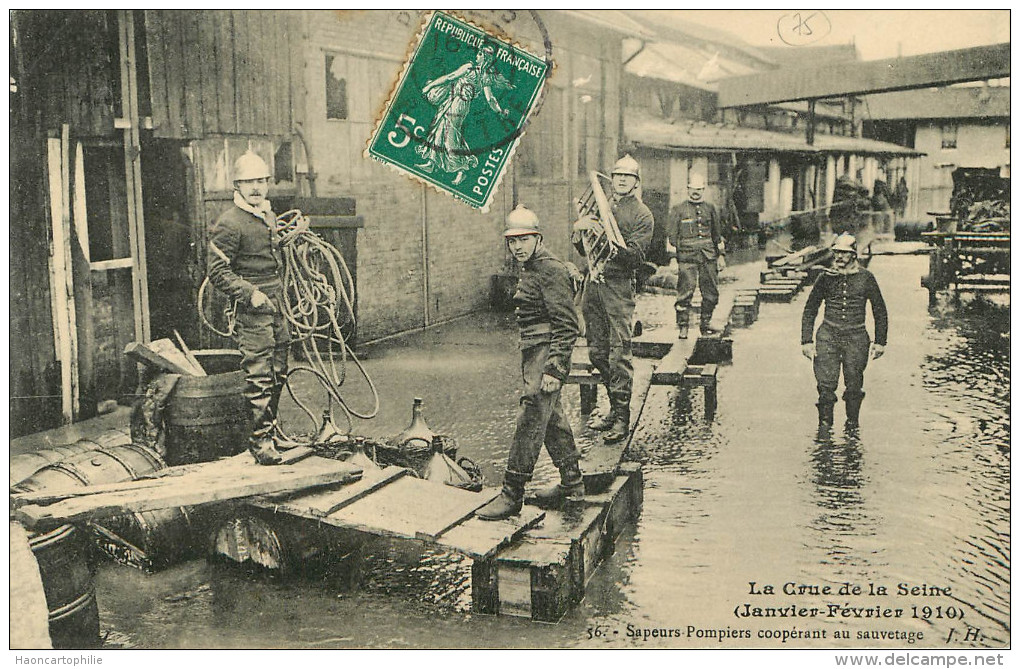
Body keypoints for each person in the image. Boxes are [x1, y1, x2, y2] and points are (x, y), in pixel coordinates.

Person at [477, 206, 584, 520]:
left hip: (545, 353)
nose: (517, 247)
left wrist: (555, 368)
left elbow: (567, 325)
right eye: (512, 241)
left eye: (524, 240)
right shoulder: (532, 266)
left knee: (530, 416)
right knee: (551, 418)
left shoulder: (549, 269)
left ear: (539, 238)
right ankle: (573, 485)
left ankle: (513, 492)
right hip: (533, 350)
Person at [207, 151, 290, 465]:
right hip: (253, 307)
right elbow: (217, 272)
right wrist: (249, 294)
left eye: (261, 180)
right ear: (237, 185)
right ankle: (260, 443)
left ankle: (273, 431)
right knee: (259, 375)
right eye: (249, 181)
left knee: (279, 371)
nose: (256, 187)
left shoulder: (267, 215)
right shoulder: (229, 223)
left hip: (277, 304)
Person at [572, 155, 654, 444]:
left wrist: (606, 238)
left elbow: (636, 257)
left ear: (635, 182)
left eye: (627, 176)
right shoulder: (600, 206)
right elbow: (584, 250)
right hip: (594, 285)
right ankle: (613, 406)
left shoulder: (642, 215)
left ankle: (622, 417)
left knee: (619, 353)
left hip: (619, 287)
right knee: (596, 352)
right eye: (617, 175)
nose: (621, 180)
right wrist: (581, 229)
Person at [801, 233, 888, 430]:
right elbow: (810, 309)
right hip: (828, 337)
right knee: (825, 385)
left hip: (856, 337)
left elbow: (879, 310)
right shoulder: (825, 278)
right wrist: (806, 340)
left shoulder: (866, 278)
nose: (839, 257)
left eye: (844, 254)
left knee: (854, 384)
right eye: (837, 253)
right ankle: (825, 428)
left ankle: (852, 425)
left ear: (853, 255)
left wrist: (880, 342)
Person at [415, 44, 512, 186]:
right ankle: (432, 162)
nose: (477, 56)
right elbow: (490, 99)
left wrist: (430, 86)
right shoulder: (485, 77)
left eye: (479, 54)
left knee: (451, 137)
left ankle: (462, 169)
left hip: (458, 104)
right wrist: (499, 111)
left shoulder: (470, 68)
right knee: (440, 130)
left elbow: (450, 77)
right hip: (455, 103)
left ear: (484, 57)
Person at [666, 173, 726, 339]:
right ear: (688, 189)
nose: (696, 192)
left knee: (711, 293)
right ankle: (683, 326)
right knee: (685, 292)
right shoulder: (678, 209)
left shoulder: (710, 208)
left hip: (708, 256)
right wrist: (672, 259)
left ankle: (705, 324)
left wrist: (721, 256)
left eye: (699, 189)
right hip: (687, 257)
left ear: (703, 190)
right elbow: (671, 237)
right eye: (693, 189)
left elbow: (717, 235)